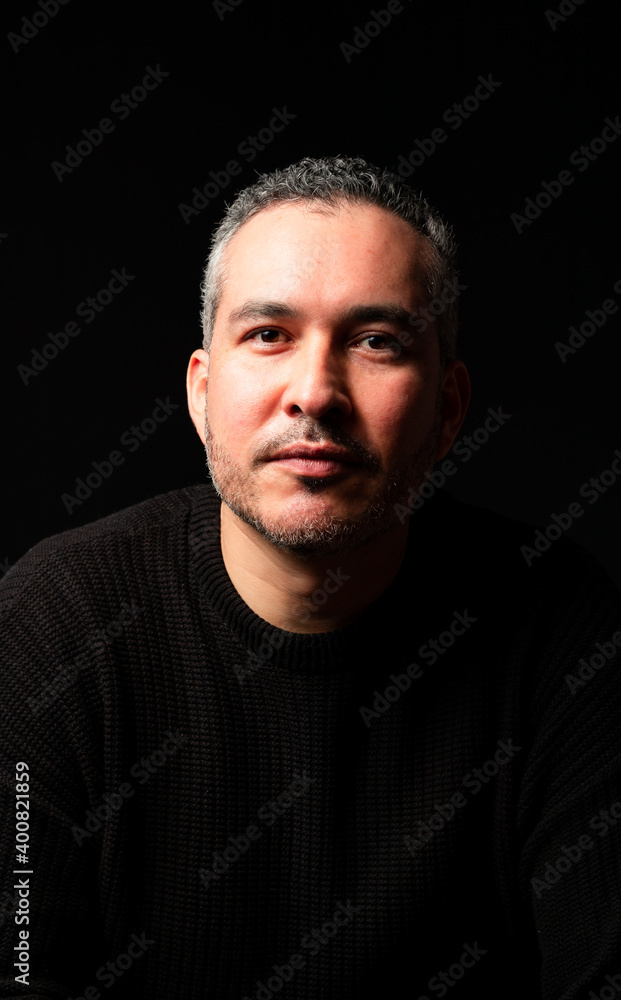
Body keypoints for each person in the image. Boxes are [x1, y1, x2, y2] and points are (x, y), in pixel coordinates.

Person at [0, 155, 620, 999]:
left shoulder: (561, 632)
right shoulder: (54, 623)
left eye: (375, 342)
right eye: (268, 334)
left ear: (447, 409)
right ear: (201, 393)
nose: (315, 393)